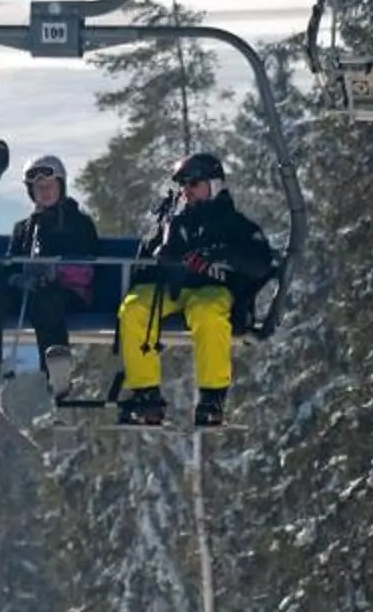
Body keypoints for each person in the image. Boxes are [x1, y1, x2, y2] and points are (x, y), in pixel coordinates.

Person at [115, 149, 276, 427]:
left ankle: (212, 397)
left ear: (213, 185)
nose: (186, 191)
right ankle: (146, 395)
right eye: (183, 185)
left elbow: (260, 263)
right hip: (173, 288)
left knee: (208, 314)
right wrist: (159, 251)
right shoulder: (174, 223)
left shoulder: (235, 224)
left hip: (212, 288)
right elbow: (146, 257)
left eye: (193, 184)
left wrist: (224, 255)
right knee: (134, 308)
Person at [0, 153, 103, 400]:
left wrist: (55, 273)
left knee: (46, 301)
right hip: (28, 289)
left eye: (49, 186)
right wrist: (16, 278)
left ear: (60, 186)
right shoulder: (25, 227)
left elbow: (88, 264)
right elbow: (10, 263)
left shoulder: (78, 222)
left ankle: (55, 370)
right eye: (38, 188)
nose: (44, 192)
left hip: (66, 292)